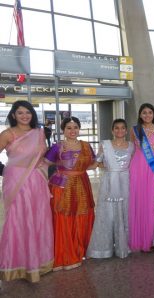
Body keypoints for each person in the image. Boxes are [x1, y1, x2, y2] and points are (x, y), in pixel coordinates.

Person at [0, 100, 53, 282]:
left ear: (32, 114)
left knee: (37, 218)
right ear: (13, 115)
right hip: (16, 180)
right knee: (17, 218)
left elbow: (43, 158)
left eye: (28, 112)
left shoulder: (39, 133)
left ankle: (38, 262)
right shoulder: (7, 134)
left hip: (37, 179)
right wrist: (3, 170)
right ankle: (15, 264)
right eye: (20, 112)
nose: (24, 116)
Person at [45, 116, 97, 271]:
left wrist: (80, 169)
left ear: (79, 129)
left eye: (75, 127)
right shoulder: (57, 147)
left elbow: (93, 164)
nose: (72, 131)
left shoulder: (86, 146)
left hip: (81, 184)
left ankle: (80, 250)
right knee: (62, 219)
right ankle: (64, 255)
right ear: (63, 130)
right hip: (61, 187)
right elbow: (45, 165)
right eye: (69, 128)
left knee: (82, 216)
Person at [87, 119, 134, 259]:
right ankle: (104, 248)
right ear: (112, 130)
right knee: (107, 213)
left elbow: (134, 165)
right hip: (109, 182)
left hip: (125, 182)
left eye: (122, 128)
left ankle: (122, 246)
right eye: (117, 128)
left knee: (123, 212)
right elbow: (96, 163)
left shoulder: (131, 146)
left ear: (126, 130)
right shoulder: (105, 145)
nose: (120, 131)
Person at [128, 103, 154, 252]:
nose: (147, 115)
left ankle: (153, 237)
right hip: (138, 167)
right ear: (140, 115)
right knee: (139, 201)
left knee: (152, 201)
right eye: (144, 113)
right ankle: (140, 239)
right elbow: (132, 149)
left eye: (150, 112)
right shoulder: (135, 130)